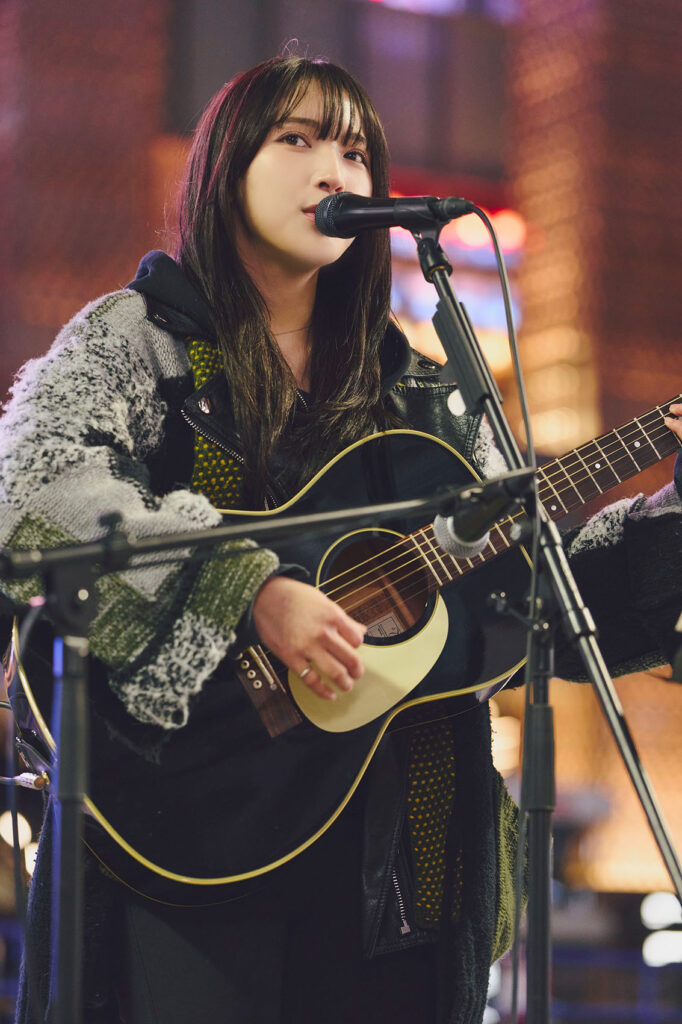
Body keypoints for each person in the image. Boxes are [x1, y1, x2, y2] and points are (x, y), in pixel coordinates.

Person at [0, 54, 680, 1024]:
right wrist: (251, 592)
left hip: (395, 874)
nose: (336, 170)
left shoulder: (426, 391)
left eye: (357, 152)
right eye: (298, 139)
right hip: (182, 841)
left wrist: (670, 520)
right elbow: (36, 493)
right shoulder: (135, 339)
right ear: (227, 163)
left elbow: (541, 593)